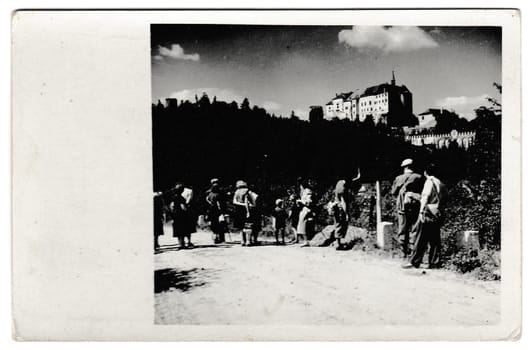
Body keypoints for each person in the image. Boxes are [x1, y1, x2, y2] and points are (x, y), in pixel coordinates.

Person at [403, 164, 447, 269]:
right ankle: (434, 262)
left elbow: (425, 197)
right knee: (435, 239)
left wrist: (421, 212)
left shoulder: (429, 182)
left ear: (425, 172)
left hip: (428, 212)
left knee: (420, 237)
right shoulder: (440, 183)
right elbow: (445, 197)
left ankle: (415, 261)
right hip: (437, 212)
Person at [391, 159, 425, 258]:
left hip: (402, 206)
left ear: (405, 167)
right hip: (415, 206)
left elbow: (393, 192)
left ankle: (403, 252)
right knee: (415, 228)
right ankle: (415, 252)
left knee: (402, 228)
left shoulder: (399, 178)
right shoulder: (419, 177)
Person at [232, 180, 260, 246]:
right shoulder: (248, 191)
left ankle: (242, 241)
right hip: (248, 210)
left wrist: (241, 204)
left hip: (239, 210)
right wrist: (247, 205)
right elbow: (254, 203)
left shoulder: (237, 192)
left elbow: (234, 201)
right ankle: (248, 241)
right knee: (248, 225)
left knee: (241, 226)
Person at [169, 183, 188, 248]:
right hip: (181, 215)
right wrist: (186, 209)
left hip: (175, 214)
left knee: (177, 229)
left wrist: (172, 214)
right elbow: (183, 207)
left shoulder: (173, 197)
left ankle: (179, 243)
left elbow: (172, 206)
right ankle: (182, 244)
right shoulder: (181, 198)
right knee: (182, 229)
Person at [296, 182, 315, 247]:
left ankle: (306, 241)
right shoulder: (304, 192)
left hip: (306, 210)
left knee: (303, 225)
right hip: (303, 209)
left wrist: (301, 202)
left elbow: (309, 202)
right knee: (302, 225)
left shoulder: (308, 192)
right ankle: (305, 240)